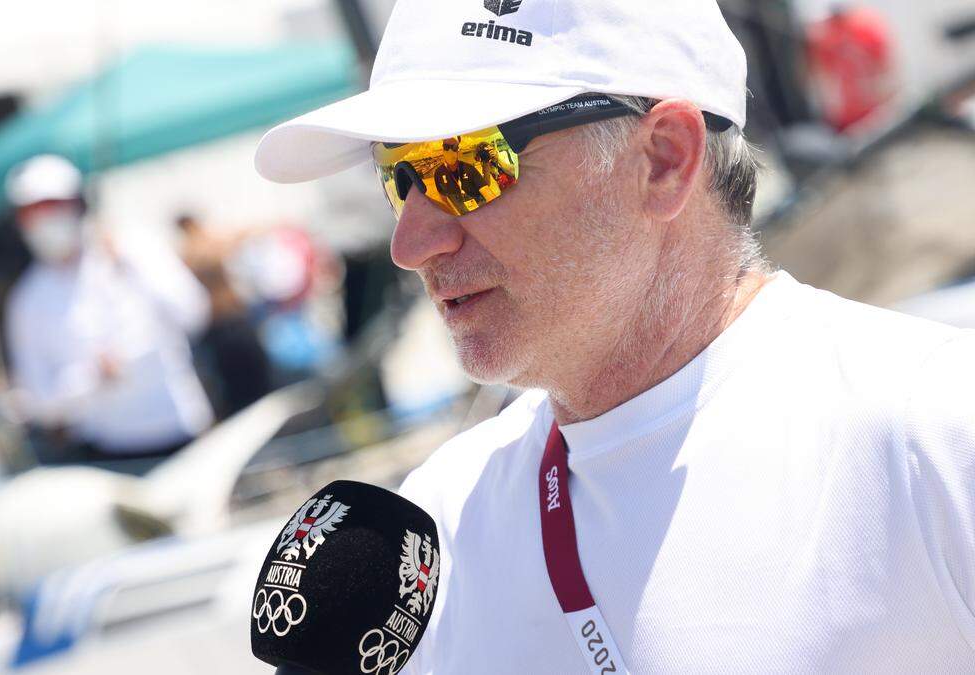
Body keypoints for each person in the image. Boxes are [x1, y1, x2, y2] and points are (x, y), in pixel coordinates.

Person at [254, 0, 975, 672]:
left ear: (664, 159)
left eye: (461, 168)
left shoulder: (933, 431)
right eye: (399, 176)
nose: (411, 242)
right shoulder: (437, 518)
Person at [3, 155, 213, 464]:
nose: (44, 221)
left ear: (79, 205)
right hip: (105, 452)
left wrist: (132, 262)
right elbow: (37, 399)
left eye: (53, 208)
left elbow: (193, 314)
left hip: (182, 433)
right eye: (32, 213)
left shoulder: (135, 248)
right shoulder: (27, 300)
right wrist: (91, 378)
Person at [175, 213, 274, 417]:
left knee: (237, 383)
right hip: (228, 319)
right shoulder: (204, 247)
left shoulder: (185, 254)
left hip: (219, 323)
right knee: (249, 380)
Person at [432, 138, 488, 214]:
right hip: (463, 215)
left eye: (454, 147)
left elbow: (486, 191)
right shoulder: (438, 173)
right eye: (446, 147)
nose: (450, 151)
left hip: (481, 210)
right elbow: (443, 198)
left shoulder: (469, 168)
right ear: (443, 149)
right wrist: (454, 215)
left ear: (458, 149)